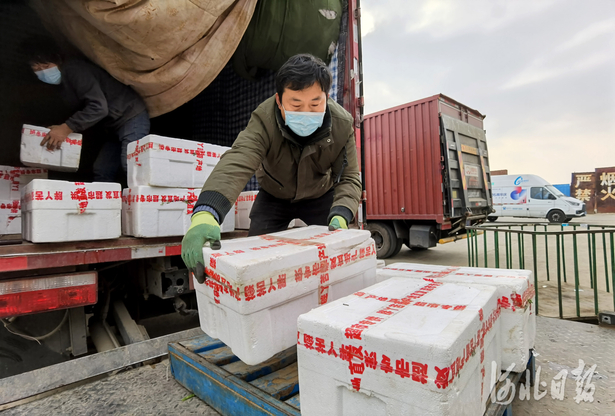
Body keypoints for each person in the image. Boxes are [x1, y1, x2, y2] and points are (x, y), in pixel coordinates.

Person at [182, 54, 362, 282]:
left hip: (320, 195)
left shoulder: (342, 124)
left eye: (315, 104)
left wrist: (342, 213)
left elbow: (349, 177)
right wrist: (206, 213)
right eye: (296, 104)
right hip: (274, 196)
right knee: (256, 262)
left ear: (326, 98)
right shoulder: (264, 119)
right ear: (279, 100)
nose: (306, 113)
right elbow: (239, 160)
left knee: (337, 258)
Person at [23, 36, 150, 182]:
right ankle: (105, 205)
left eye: (46, 67)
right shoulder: (62, 85)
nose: (43, 72)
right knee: (102, 170)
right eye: (37, 69)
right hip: (112, 126)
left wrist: (66, 128)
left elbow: (98, 108)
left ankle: (155, 202)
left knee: (131, 166)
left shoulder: (75, 70)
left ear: (58, 60)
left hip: (130, 115)